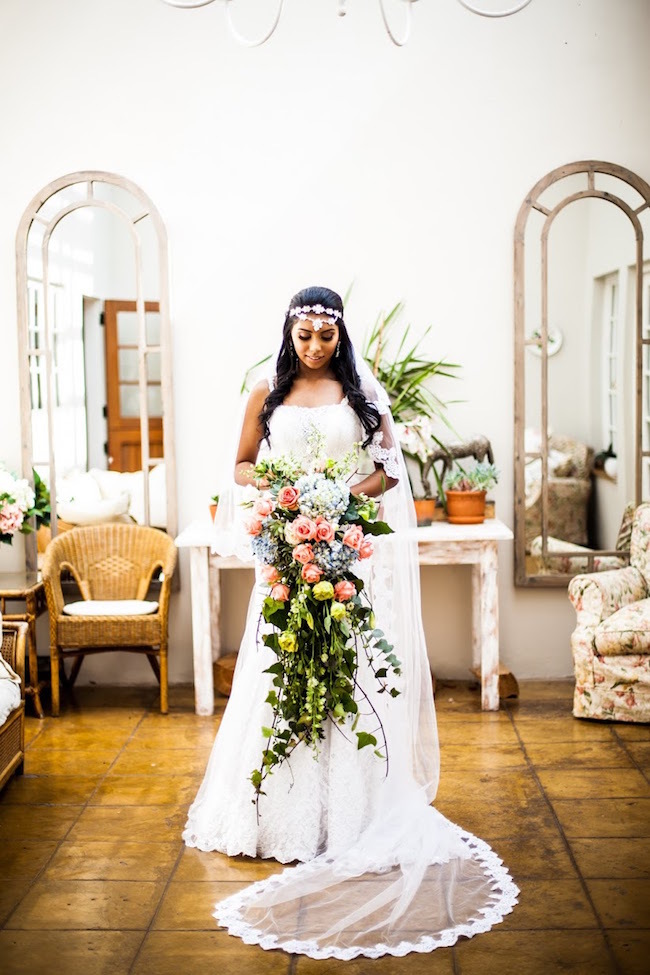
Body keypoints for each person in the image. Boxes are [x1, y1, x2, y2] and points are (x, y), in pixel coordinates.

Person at [183, 286, 518, 960]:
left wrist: (339, 493)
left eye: (324, 338)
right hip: (288, 551)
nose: (313, 348)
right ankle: (272, 811)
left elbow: (389, 469)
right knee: (281, 668)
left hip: (346, 555)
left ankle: (357, 811)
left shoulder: (362, 390)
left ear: (340, 336)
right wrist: (284, 490)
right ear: (290, 333)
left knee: (351, 670)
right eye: (304, 336)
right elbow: (242, 464)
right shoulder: (264, 393)